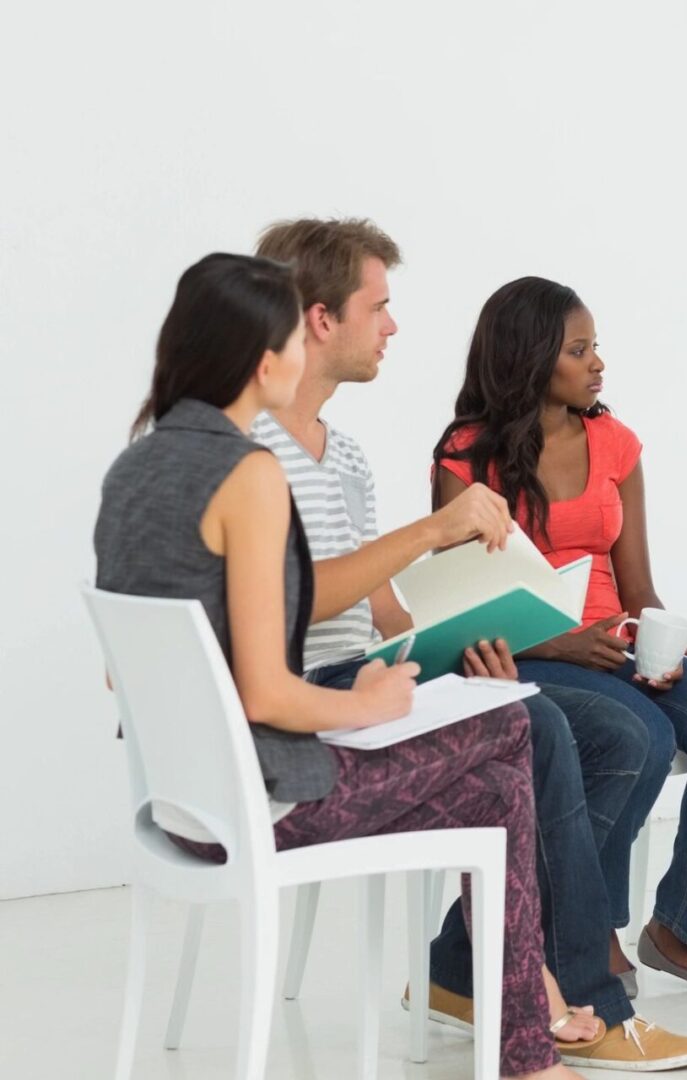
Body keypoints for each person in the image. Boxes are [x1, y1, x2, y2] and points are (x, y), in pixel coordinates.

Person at [93, 252, 580, 1080]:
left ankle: (526, 1048)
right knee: (504, 722)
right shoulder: (247, 472)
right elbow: (263, 689)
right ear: (265, 359)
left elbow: (130, 675)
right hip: (261, 805)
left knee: (496, 792)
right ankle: (530, 1047)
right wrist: (373, 701)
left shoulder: (135, 466)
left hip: (177, 805)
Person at [250, 220, 687, 1070]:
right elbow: (296, 601)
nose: (392, 326)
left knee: (611, 731)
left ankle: (486, 971)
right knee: (541, 731)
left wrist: (458, 646)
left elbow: (383, 609)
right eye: (377, 307)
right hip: (325, 696)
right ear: (320, 318)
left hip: (379, 670)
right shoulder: (251, 452)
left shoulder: (339, 451)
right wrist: (435, 530)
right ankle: (582, 1003)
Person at [433, 276, 687, 999]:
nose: (597, 364)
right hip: (520, 653)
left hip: (611, 644)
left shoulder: (615, 443)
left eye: (596, 348)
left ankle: (675, 927)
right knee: (638, 733)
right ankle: (597, 929)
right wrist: (561, 642)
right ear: (529, 359)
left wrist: (660, 645)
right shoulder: (467, 454)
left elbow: (638, 584)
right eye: (578, 350)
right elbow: (459, 605)